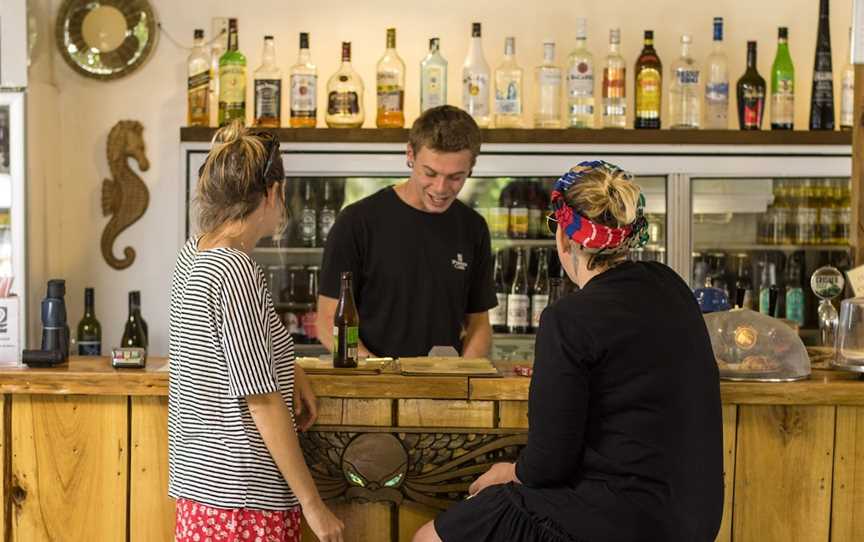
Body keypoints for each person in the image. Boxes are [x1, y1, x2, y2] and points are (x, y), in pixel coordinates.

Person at [415, 161, 724, 542]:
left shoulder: (569, 318)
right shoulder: (672, 287)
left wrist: (508, 472)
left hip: (621, 518)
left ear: (564, 237)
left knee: (429, 538)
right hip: (694, 517)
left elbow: (548, 463)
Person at [168, 122, 344, 542]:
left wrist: (290, 371)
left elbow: (225, 358)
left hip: (201, 491)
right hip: (244, 500)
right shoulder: (234, 271)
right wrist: (313, 505)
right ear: (272, 193)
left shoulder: (194, 254)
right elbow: (261, 401)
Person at [317, 105, 496, 359]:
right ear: (410, 154)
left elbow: (478, 323)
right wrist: (377, 374)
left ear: (471, 168)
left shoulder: (473, 227)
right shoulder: (357, 222)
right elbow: (327, 321)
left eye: (456, 177)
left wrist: (463, 377)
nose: (441, 187)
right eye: (430, 173)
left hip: (444, 384)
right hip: (372, 381)